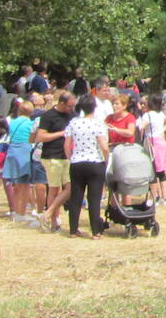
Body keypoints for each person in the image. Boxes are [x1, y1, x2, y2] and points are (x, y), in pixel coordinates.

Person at [64, 94, 110, 238]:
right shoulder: (98, 123)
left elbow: (66, 144)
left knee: (76, 197)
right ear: (94, 108)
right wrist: (107, 159)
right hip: (94, 162)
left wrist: (69, 158)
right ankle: (96, 231)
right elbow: (104, 146)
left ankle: (73, 230)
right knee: (94, 198)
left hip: (77, 162)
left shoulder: (74, 123)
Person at [33, 92, 74, 233]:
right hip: (52, 156)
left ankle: (47, 213)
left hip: (67, 156)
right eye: (69, 106)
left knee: (70, 188)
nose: (71, 109)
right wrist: (61, 133)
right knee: (54, 189)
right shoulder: (48, 116)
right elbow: (40, 136)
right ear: (62, 103)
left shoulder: (72, 115)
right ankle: (53, 222)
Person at [136, 94, 166, 206]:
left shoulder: (148, 115)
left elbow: (141, 127)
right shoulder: (160, 114)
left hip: (151, 143)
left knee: (152, 172)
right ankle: (165, 197)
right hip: (161, 142)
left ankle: (155, 196)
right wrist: (162, 130)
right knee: (161, 171)